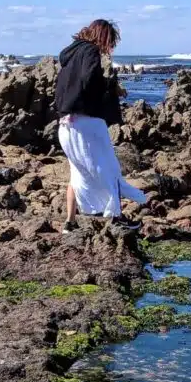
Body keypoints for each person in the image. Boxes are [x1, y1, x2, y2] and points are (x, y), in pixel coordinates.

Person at [54, 19, 145, 232]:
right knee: (109, 168)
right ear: (102, 36)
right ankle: (116, 218)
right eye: (110, 40)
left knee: (78, 172)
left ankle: (70, 222)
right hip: (87, 123)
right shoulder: (91, 52)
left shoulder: (70, 55)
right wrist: (111, 88)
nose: (110, 46)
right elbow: (89, 81)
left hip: (65, 124)